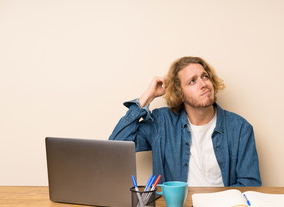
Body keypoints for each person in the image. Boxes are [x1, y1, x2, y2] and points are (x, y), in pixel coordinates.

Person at [109, 56, 261, 186]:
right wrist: (146, 98)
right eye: (192, 81)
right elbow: (116, 147)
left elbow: (250, 186)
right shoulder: (162, 123)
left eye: (205, 76)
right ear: (180, 94)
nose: (203, 84)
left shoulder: (240, 129)